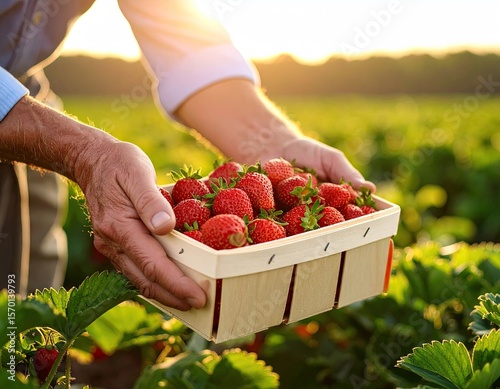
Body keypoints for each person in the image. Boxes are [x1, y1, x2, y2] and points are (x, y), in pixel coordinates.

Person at [0, 0, 375, 311]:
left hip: (29, 106)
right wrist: (82, 152)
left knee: (24, 332)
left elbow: (181, 34)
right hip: (31, 119)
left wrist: (272, 143)